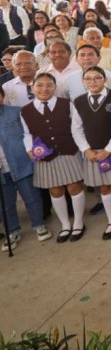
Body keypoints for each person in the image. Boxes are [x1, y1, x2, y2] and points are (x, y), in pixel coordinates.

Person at [71, 66, 111, 241]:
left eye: (97, 78)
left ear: (104, 79)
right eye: (88, 78)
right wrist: (86, 149)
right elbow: (76, 129)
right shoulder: (78, 101)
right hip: (93, 153)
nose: (93, 82)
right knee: (104, 187)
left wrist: (108, 149)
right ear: (83, 82)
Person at [20, 73, 87, 243]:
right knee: (55, 191)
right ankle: (65, 225)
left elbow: (77, 127)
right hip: (44, 156)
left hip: (68, 151)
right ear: (32, 87)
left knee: (74, 187)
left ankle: (78, 222)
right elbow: (27, 134)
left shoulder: (67, 104)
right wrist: (29, 149)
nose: (44, 89)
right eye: (40, 85)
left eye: (49, 85)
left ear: (55, 87)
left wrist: (82, 148)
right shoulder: (25, 110)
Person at [0, 88, 50, 250]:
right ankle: (12, 231)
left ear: (2, 96)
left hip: (20, 162)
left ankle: (39, 225)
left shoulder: (16, 112)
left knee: (31, 197)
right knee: (5, 204)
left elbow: (28, 134)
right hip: (1, 170)